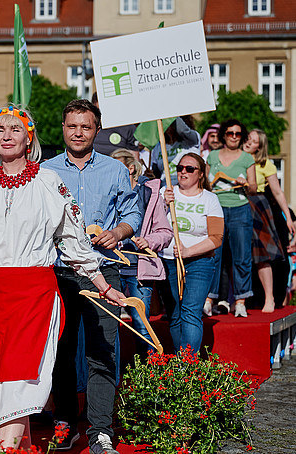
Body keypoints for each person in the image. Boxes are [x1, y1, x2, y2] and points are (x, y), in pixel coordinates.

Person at [0, 105, 126, 450]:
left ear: (28, 137)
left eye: (15, 129)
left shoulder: (49, 183)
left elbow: (74, 240)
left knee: (17, 382)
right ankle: (20, 447)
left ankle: (6, 449)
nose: (6, 135)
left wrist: (102, 284)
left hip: (34, 295)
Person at [42, 99, 141, 454]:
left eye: (86, 126)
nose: (79, 132)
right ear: (63, 129)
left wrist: (118, 233)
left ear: (96, 130)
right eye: (72, 126)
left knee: (102, 352)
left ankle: (100, 430)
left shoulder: (115, 170)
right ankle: (65, 422)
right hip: (60, 274)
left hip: (104, 270)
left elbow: (133, 211)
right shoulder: (46, 171)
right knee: (61, 351)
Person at [110, 149, 172, 357]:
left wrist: (149, 241)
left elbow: (165, 232)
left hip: (140, 268)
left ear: (130, 168)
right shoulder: (107, 194)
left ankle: (146, 376)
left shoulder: (149, 193)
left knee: (141, 323)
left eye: (118, 169)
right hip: (112, 267)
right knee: (110, 324)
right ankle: (115, 377)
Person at [161, 153, 224, 353]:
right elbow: (151, 225)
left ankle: (188, 365)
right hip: (168, 260)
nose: (183, 172)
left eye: (189, 169)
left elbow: (216, 237)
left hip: (200, 261)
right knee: (175, 313)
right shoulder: (166, 192)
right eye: (180, 168)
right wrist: (162, 204)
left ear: (201, 174)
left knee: (190, 310)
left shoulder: (210, 199)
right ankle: (182, 360)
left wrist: (188, 252)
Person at [205, 119, 257, 317]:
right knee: (213, 255)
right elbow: (205, 184)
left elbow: (254, 188)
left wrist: (245, 183)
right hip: (216, 209)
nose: (234, 136)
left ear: (241, 135)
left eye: (237, 133)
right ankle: (209, 299)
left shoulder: (246, 158)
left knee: (242, 256)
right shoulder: (213, 155)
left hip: (240, 209)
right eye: (230, 133)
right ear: (223, 135)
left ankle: (241, 300)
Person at [243, 129, 296, 312]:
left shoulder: (266, 165)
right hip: (233, 205)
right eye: (248, 138)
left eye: (254, 141)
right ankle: (240, 300)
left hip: (257, 207)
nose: (249, 142)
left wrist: (288, 217)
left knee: (263, 254)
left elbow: (278, 192)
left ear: (260, 147)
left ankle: (270, 298)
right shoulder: (233, 159)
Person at [151, 116, 200, 186]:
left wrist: (172, 113)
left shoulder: (191, 141)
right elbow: (156, 174)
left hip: (187, 186)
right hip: (166, 188)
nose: (168, 126)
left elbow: (182, 130)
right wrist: (150, 175)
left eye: (170, 123)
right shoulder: (158, 146)